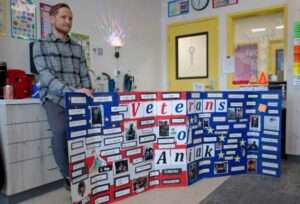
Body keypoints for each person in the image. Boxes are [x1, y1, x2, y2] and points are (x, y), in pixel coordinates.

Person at [33, 3, 93, 190]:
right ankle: (68, 177)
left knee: (85, 135)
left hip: (78, 99)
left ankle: (86, 175)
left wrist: (87, 91)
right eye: (63, 17)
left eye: (70, 18)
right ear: (52, 19)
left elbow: (84, 75)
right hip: (54, 97)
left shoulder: (77, 47)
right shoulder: (40, 45)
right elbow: (46, 77)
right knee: (60, 133)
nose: (68, 21)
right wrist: (71, 91)